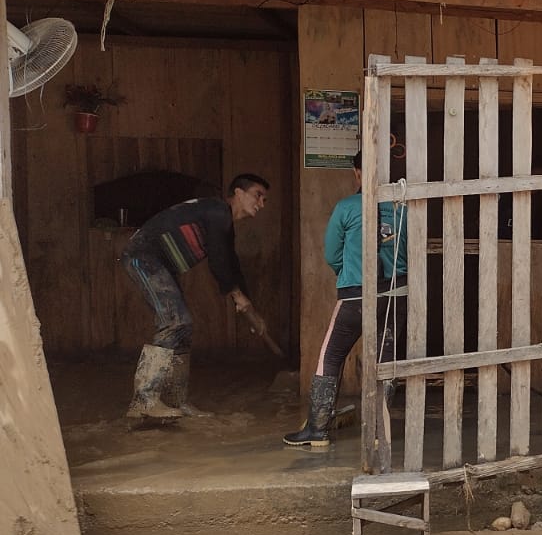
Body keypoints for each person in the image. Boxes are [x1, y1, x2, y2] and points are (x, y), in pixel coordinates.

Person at [119, 173, 269, 421]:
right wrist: (238, 296)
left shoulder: (223, 222)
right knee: (175, 322)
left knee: (183, 329)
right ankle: (144, 400)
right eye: (257, 195)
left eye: (264, 199)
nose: (261, 203)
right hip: (143, 257)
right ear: (238, 193)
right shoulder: (218, 211)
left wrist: (248, 306)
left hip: (161, 265)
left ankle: (176, 402)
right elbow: (219, 262)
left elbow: (231, 265)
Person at [284, 153, 408, 450]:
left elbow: (331, 254)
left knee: (331, 356)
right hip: (395, 296)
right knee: (385, 362)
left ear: (357, 173)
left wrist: (349, 272)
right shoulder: (404, 209)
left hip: (355, 296)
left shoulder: (346, 207)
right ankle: (379, 434)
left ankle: (318, 430)